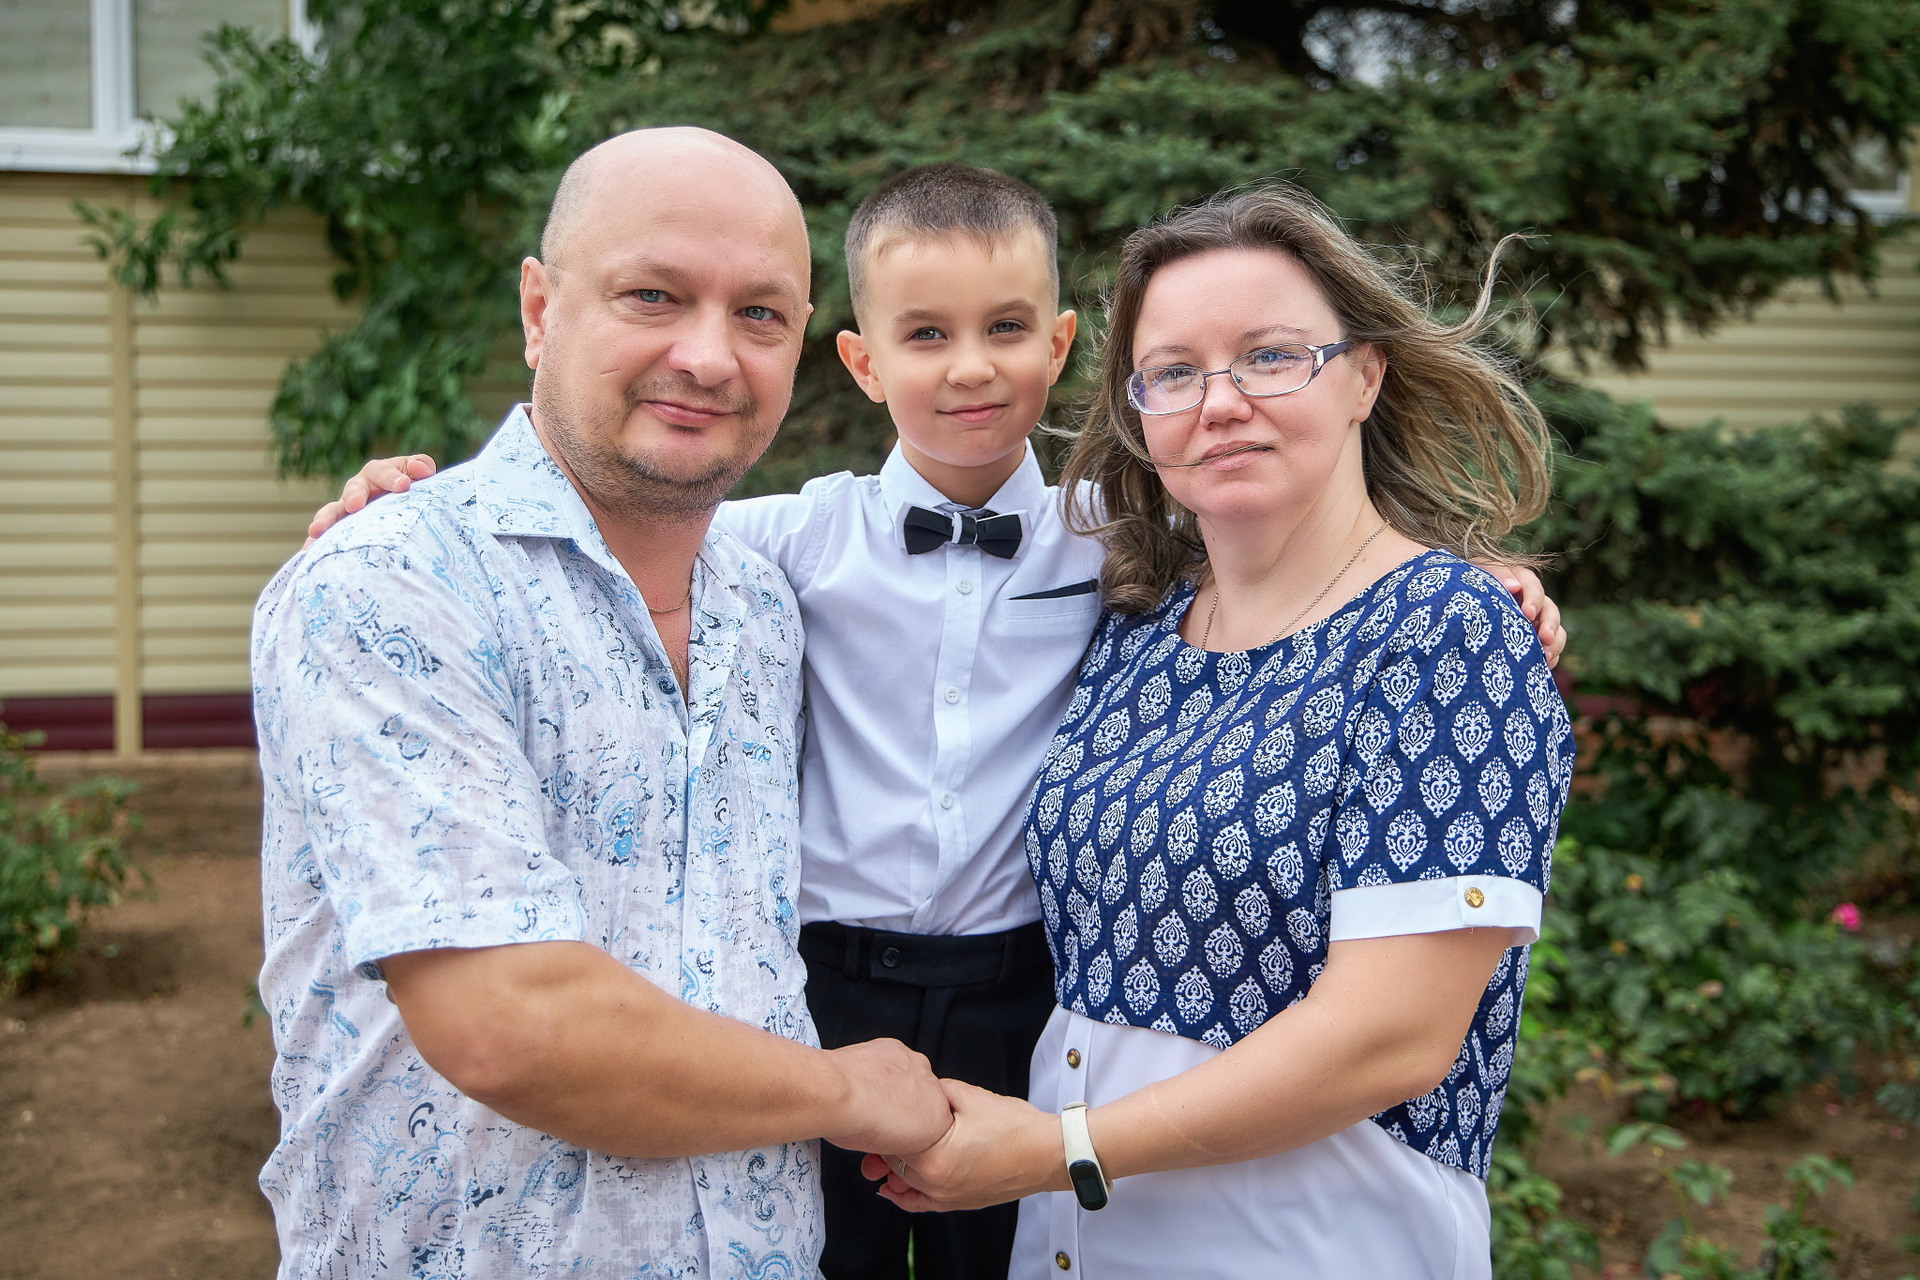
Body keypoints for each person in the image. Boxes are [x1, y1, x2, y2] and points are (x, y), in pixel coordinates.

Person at [308, 166, 1567, 1280]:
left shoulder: (1124, 558)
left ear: (1059, 348)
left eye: (1006, 329)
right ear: (863, 362)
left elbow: (1311, 567)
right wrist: (413, 499)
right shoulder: (781, 541)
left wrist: (1473, 587)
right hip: (825, 983)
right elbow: (613, 513)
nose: (969, 367)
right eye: (1178, 372)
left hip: (1023, 997)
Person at [249, 128, 955, 1279]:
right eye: (653, 296)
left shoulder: (765, 609)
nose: (709, 356)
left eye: (760, 314)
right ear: (540, 310)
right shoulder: (395, 580)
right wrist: (852, 1090)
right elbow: (509, 1023)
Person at [860, 185, 1575, 1280]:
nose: (1222, 401)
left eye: (1271, 357)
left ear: (1365, 376)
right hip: (1071, 1248)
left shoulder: (1445, 631)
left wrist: (1062, 1148)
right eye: (1175, 372)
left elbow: (1391, 1037)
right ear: (1140, 413)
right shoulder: (1135, 624)